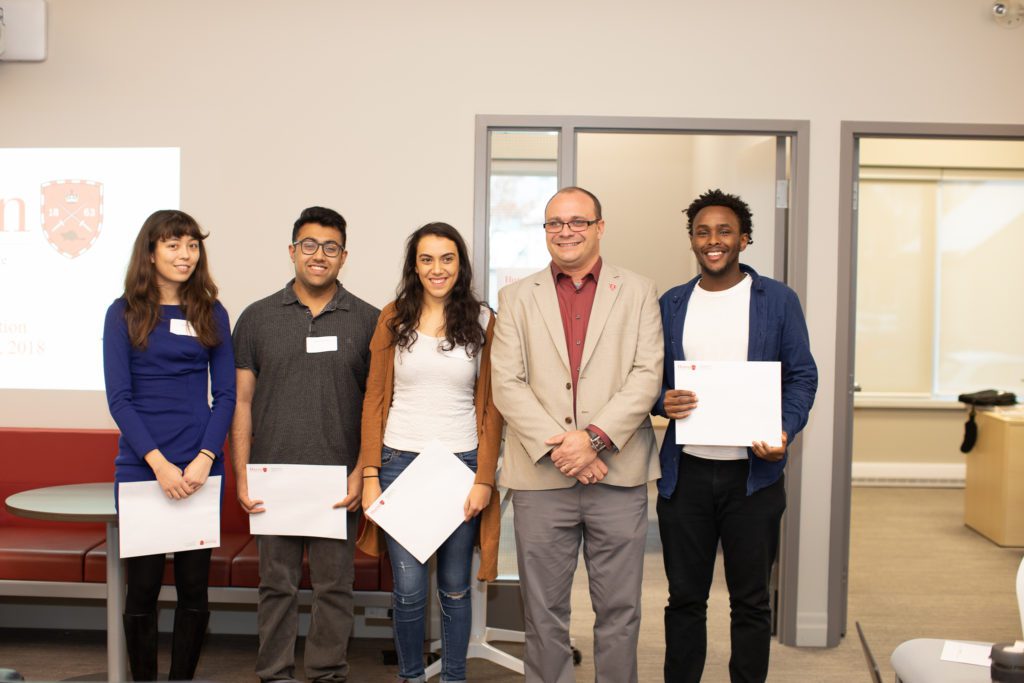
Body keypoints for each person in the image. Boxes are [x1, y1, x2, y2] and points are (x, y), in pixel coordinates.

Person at [490, 187, 664, 683]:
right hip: (542, 478)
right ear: (545, 232)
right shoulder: (516, 297)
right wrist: (567, 446)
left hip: (618, 473)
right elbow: (507, 383)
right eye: (554, 223)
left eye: (577, 221)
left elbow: (646, 374)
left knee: (620, 611)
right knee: (543, 615)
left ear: (599, 227)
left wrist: (593, 439)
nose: (565, 231)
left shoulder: (637, 290)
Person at [654, 189, 818, 683]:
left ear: (744, 238)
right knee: (684, 599)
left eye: (724, 230)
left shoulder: (778, 300)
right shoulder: (673, 303)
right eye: (702, 232)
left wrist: (783, 429)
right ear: (691, 241)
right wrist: (662, 400)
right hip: (686, 478)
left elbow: (802, 376)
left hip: (754, 478)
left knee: (750, 602)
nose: (713, 240)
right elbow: (650, 378)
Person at [230, 206, 379, 683]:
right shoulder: (256, 318)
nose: (320, 255)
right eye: (310, 245)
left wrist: (362, 471)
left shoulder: (369, 321)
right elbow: (242, 403)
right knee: (276, 585)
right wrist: (241, 473)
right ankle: (273, 673)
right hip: (273, 479)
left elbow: (376, 409)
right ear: (293, 251)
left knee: (336, 587)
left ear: (344, 256)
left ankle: (325, 673)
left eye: (330, 247)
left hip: (339, 479)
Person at [356, 222, 503, 683]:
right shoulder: (392, 316)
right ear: (413, 266)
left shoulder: (483, 320)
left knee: (456, 589)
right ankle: (411, 677)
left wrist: (484, 478)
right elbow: (375, 397)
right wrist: (369, 474)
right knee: (409, 590)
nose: (436, 269)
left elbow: (494, 407)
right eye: (426, 259)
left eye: (446, 258)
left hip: (459, 466)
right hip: (401, 463)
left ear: (460, 264)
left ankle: (454, 677)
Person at [103, 209, 236, 681]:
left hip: (201, 466)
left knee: (193, 589)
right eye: (174, 245)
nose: (185, 254)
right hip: (143, 467)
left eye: (192, 245)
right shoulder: (122, 312)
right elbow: (119, 399)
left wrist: (205, 458)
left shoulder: (211, 310)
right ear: (151, 252)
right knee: (141, 591)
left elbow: (226, 396)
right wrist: (158, 463)